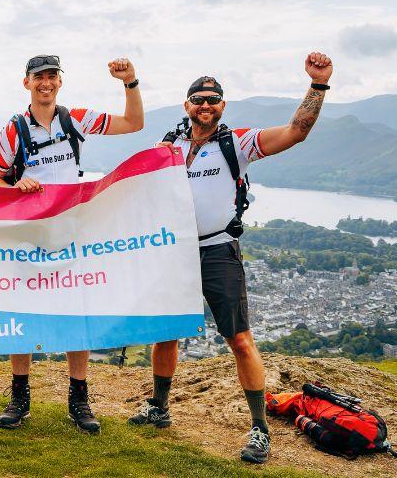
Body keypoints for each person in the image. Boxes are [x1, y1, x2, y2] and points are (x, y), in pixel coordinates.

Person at [129, 52, 334, 464]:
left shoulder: (235, 143)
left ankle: (259, 428)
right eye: (199, 99)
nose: (206, 105)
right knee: (167, 332)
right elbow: (139, 189)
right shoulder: (167, 147)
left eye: (214, 100)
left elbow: (296, 132)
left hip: (218, 249)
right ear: (186, 105)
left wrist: (318, 84)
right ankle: (160, 407)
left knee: (239, 339)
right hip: (175, 251)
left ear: (222, 106)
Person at [0, 54, 145, 434]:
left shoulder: (75, 119)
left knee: (77, 313)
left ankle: (78, 398)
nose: (46, 83)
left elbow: (134, 124)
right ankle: (19, 396)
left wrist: (130, 82)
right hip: (29, 235)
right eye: (39, 77)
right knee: (23, 312)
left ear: (60, 81)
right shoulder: (13, 130)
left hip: (71, 231)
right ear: (26, 83)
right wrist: (14, 186)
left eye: (52, 76)